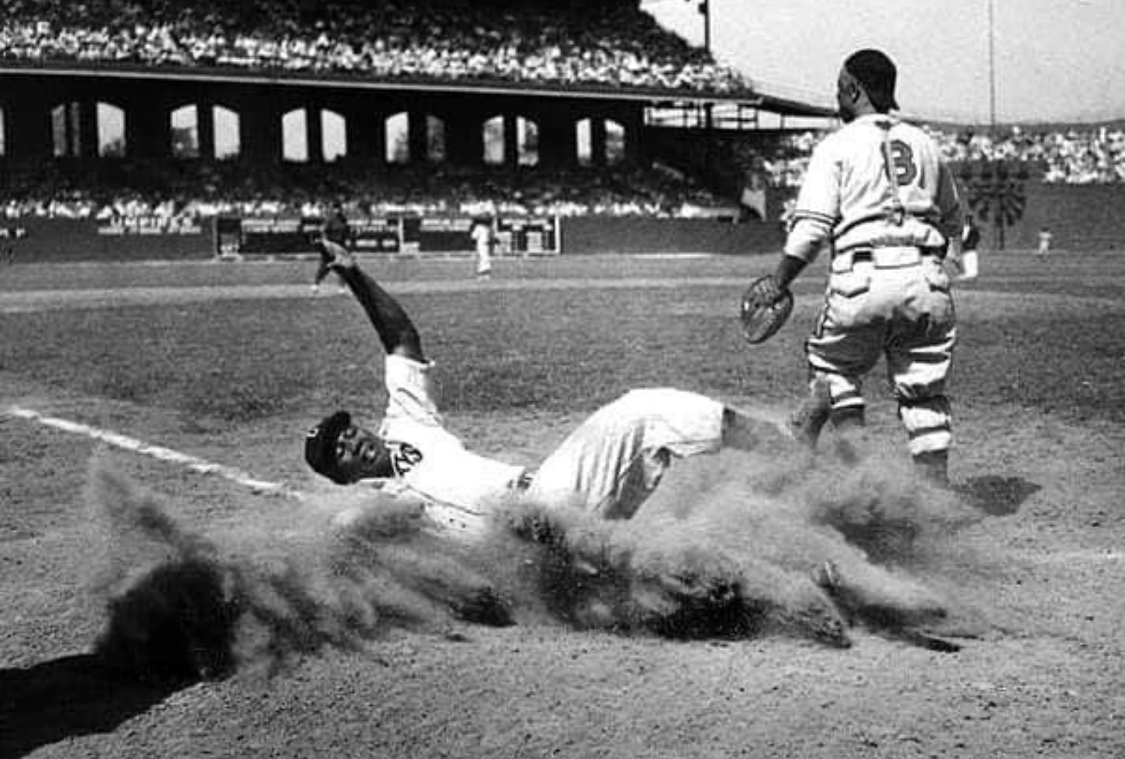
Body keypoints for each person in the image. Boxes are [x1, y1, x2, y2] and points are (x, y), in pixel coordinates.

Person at [303, 238, 789, 537]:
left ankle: (788, 454)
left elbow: (402, 340)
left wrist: (355, 275)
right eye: (338, 452)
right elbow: (354, 540)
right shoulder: (368, 510)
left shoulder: (406, 424)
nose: (352, 441)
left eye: (346, 432)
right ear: (341, 478)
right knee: (670, 548)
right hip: (527, 551)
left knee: (644, 416)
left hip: (550, 503)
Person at [755, 49, 964, 486]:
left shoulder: (837, 145)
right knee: (925, 396)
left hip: (863, 276)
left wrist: (779, 282)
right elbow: (954, 220)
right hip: (927, 279)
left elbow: (812, 229)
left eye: (839, 87)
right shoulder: (926, 143)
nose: (837, 95)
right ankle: (934, 504)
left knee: (832, 373)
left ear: (854, 89)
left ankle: (866, 479)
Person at [312, 202, 351, 294]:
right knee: (325, 266)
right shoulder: (329, 219)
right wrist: (326, 244)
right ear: (333, 209)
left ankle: (341, 287)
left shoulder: (343, 219)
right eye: (335, 208)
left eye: (338, 208)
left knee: (343, 267)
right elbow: (324, 232)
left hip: (340, 246)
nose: (337, 210)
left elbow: (346, 232)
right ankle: (316, 285)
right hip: (331, 246)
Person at [960, 216, 981, 280]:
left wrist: (964, 245)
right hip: (972, 248)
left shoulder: (967, 228)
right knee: (972, 261)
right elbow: (978, 237)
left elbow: (964, 239)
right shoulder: (974, 228)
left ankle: (969, 274)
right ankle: (973, 274)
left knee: (968, 261)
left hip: (968, 248)